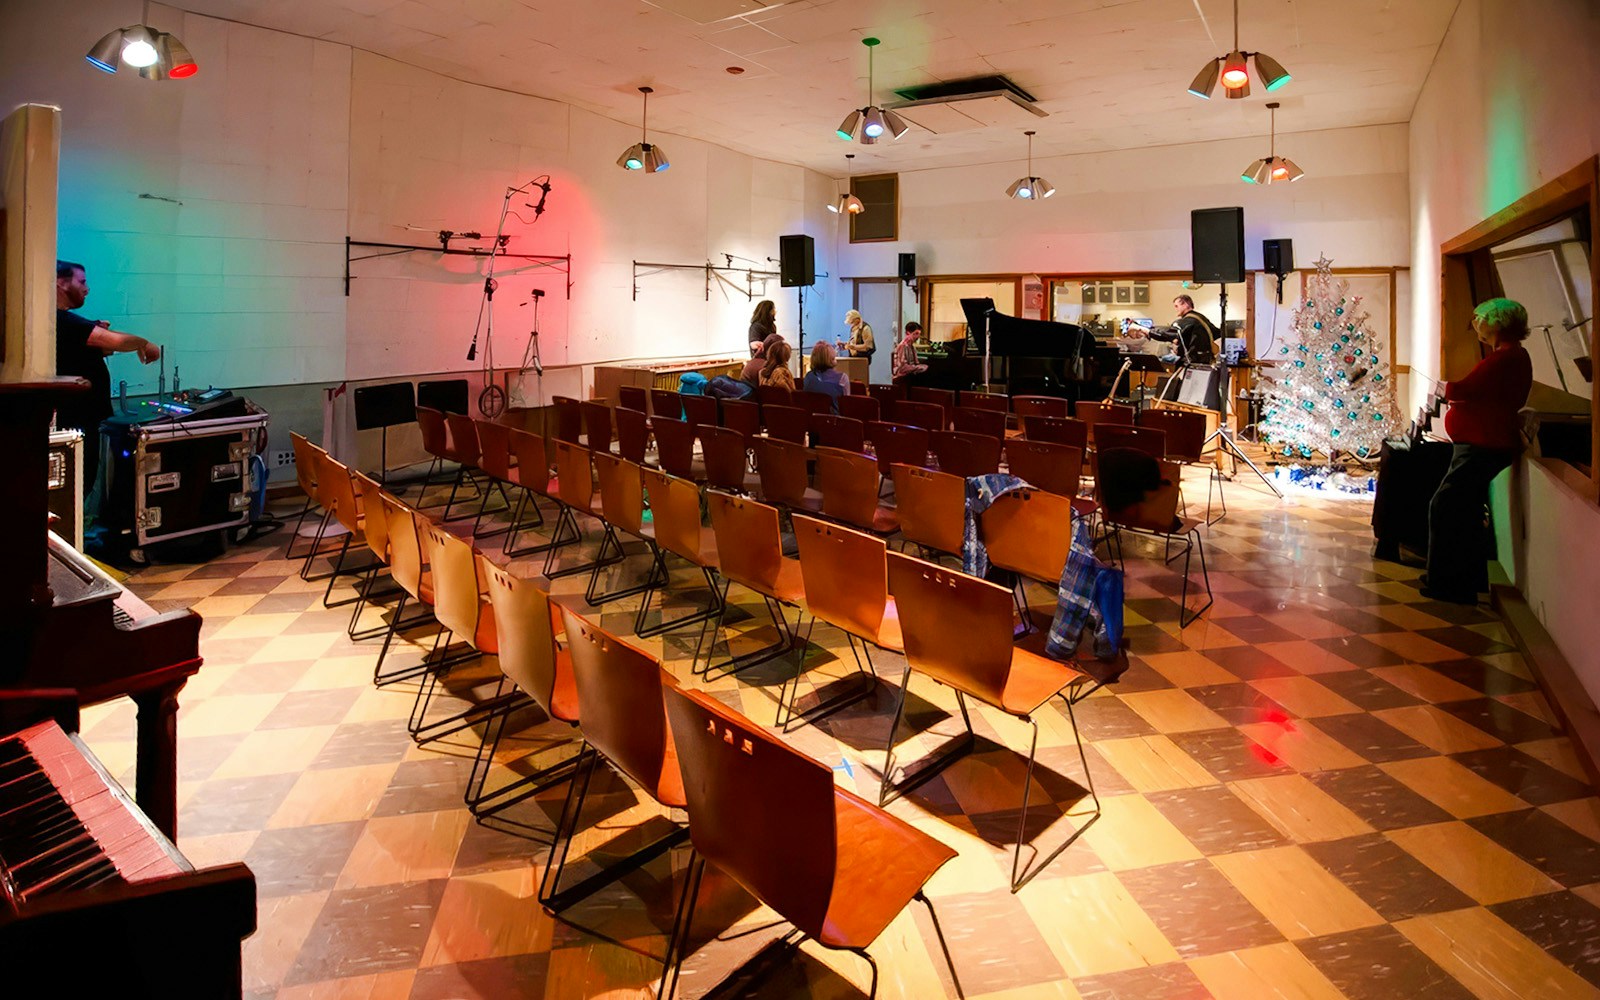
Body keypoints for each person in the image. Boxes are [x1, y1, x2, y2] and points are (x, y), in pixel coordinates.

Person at [1423, 297, 1533, 604]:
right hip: (1481, 442)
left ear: (1496, 323)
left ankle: (1449, 584)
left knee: (1446, 508)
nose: (1476, 326)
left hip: (1484, 443)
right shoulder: (1508, 356)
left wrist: (1445, 388)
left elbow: (1466, 389)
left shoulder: (1504, 358)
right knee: (1461, 511)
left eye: (1480, 320)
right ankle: (1454, 577)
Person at [55, 260, 161, 493]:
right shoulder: (62, 320)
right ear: (60, 283)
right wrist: (145, 344)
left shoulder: (66, 323)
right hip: (74, 422)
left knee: (83, 482)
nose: (87, 288)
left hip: (81, 420)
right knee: (77, 485)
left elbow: (104, 345)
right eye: (81, 281)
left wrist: (100, 330)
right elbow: (115, 342)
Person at [1149, 295, 1218, 366]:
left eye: (1176, 306)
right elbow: (1216, 334)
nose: (1175, 309)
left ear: (1185, 305)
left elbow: (1169, 334)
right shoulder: (1202, 318)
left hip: (1193, 362)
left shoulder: (1185, 322)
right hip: (1207, 360)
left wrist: (1149, 332)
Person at [803, 341, 851, 406]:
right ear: (832, 359)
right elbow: (846, 404)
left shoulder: (808, 377)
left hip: (811, 415)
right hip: (834, 415)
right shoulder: (842, 378)